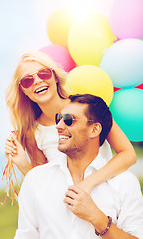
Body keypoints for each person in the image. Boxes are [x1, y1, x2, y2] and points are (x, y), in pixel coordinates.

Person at [5, 52, 136, 194]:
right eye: (27, 80)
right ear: (23, 90)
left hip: (108, 198)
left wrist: (88, 183)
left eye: (43, 74)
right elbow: (42, 187)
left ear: (55, 76)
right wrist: (24, 165)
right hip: (68, 209)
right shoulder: (33, 132)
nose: (37, 81)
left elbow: (128, 154)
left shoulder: (88, 105)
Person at [14, 94, 143, 239]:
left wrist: (97, 218)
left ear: (94, 130)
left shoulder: (125, 183)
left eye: (69, 120)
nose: (58, 126)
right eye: (59, 118)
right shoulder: (35, 179)